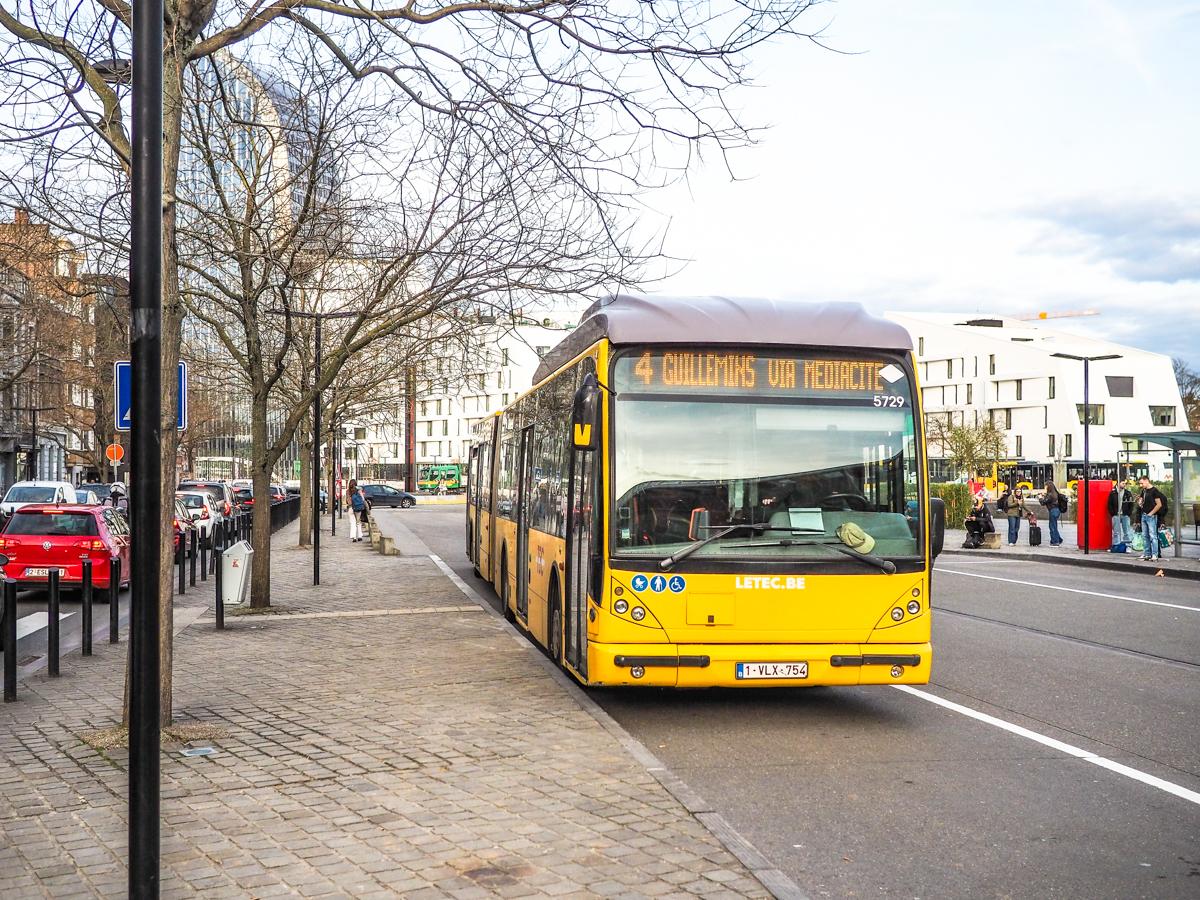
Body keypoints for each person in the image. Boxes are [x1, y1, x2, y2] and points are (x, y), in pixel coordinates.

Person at [1137, 476, 1167, 561]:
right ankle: (1147, 554)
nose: (1141, 485)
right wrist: (1140, 502)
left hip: (1151, 516)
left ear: (1147, 481)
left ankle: (1155, 554)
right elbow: (1141, 501)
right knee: (1145, 535)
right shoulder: (1144, 491)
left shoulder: (1154, 491)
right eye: (1140, 483)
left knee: (1153, 535)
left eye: (1142, 483)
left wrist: (1151, 513)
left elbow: (1159, 504)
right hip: (1144, 515)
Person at [1108, 480, 1136, 546]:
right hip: (1116, 514)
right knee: (1116, 532)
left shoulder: (1128, 493)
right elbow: (1109, 504)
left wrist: (1129, 513)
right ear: (1118, 483)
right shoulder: (1113, 493)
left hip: (1125, 514)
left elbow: (1131, 504)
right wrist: (1113, 513)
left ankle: (1128, 546)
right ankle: (1116, 545)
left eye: (1125, 483)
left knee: (1127, 532)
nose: (1124, 484)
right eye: (1123, 483)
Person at [1041, 482, 1065, 546]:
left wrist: (1040, 497)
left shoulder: (1050, 494)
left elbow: (1043, 502)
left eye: (1046, 486)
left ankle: (1055, 542)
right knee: (1054, 525)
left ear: (1048, 487)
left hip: (1053, 511)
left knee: (1052, 527)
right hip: (1057, 510)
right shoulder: (1055, 493)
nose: (1045, 488)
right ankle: (1059, 539)